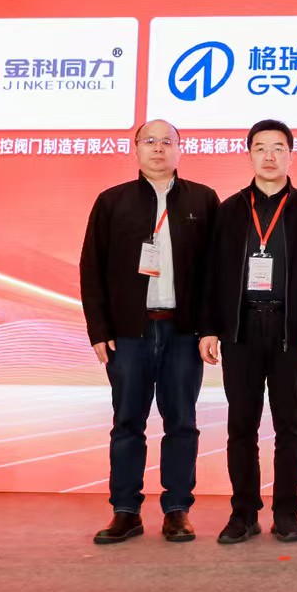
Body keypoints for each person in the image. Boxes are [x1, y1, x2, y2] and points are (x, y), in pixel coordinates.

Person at [79, 119, 219, 544]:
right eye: (150, 141)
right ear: (136, 148)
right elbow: (92, 268)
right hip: (128, 333)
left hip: (183, 333)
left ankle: (177, 509)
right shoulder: (112, 201)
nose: (159, 148)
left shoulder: (203, 199)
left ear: (180, 148)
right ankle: (125, 511)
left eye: (167, 141)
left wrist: (210, 329)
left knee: (182, 423)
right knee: (127, 423)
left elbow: (216, 272)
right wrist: (99, 329)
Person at [198, 119, 297, 545]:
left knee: (290, 425)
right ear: (250, 154)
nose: (269, 156)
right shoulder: (230, 210)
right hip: (240, 330)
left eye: (278, 148)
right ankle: (243, 513)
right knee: (241, 425)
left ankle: (287, 513)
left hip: (291, 331)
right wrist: (208, 329)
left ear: (291, 154)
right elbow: (210, 275)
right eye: (260, 148)